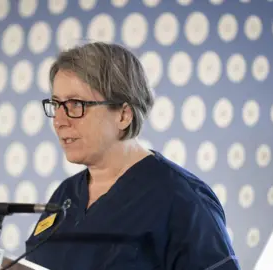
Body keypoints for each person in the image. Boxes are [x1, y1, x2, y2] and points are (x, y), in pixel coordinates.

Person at [24, 42, 240, 270]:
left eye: (75, 104)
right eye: (56, 104)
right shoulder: (65, 195)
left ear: (124, 115)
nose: (59, 121)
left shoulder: (182, 200)